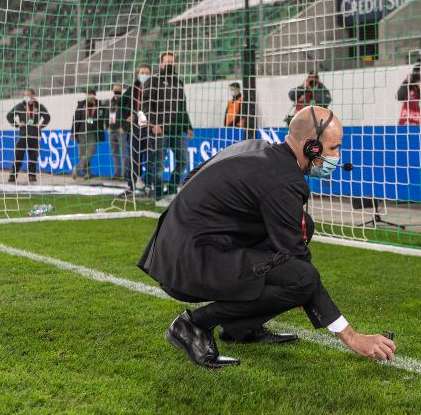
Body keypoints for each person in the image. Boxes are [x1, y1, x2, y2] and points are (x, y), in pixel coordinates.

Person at [138, 106, 395, 368]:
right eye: (333, 148)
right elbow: (299, 265)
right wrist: (351, 336)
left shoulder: (256, 147)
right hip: (186, 263)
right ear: (312, 147)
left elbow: (192, 177)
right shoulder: (283, 180)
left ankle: (240, 327)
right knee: (302, 279)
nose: (337, 157)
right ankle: (193, 325)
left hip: (174, 248)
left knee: (304, 226)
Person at [141, 52, 193, 198]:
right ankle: (158, 196)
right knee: (159, 165)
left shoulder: (179, 82)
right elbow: (146, 105)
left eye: (172, 62)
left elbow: (182, 107)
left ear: (175, 64)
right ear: (161, 64)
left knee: (183, 161)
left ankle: (171, 189)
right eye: (167, 62)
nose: (170, 64)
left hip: (177, 130)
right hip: (160, 130)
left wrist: (188, 126)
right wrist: (153, 123)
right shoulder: (153, 81)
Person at [6, 88, 50, 184]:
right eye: (25, 95)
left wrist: (41, 125)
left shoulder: (39, 106)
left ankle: (32, 176)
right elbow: (9, 116)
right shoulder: (20, 106)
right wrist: (17, 124)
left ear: (33, 95)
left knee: (33, 157)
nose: (26, 97)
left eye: (28, 95)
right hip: (23, 134)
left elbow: (47, 117)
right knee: (18, 156)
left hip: (34, 134)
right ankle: (13, 175)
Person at [119, 65, 152, 192]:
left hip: (149, 128)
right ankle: (132, 184)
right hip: (135, 128)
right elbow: (121, 104)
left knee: (150, 157)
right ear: (137, 74)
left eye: (147, 73)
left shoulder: (154, 88)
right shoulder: (132, 89)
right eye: (142, 72)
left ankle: (148, 183)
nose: (144, 75)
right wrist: (127, 116)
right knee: (134, 157)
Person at [71, 89, 106, 180]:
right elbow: (76, 119)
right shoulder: (81, 105)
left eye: (91, 94)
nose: (89, 96)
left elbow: (103, 118)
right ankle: (88, 173)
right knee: (82, 154)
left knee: (91, 152)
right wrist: (73, 132)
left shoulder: (99, 105)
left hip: (93, 133)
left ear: (94, 95)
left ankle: (77, 169)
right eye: (88, 94)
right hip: (81, 132)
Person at [107, 82, 130, 181]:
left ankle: (125, 174)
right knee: (114, 154)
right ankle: (117, 173)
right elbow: (106, 115)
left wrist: (124, 128)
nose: (116, 90)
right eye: (115, 88)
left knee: (124, 154)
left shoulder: (126, 101)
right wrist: (107, 127)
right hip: (112, 132)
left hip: (122, 132)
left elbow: (129, 116)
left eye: (118, 89)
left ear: (121, 90)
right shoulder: (110, 101)